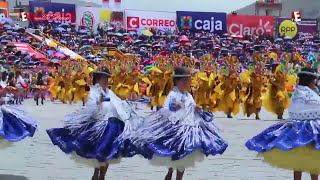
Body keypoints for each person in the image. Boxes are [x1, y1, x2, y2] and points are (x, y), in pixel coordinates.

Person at [126, 67, 228, 180]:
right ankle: (170, 173)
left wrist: (197, 108)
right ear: (177, 81)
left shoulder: (188, 95)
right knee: (174, 155)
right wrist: (173, 107)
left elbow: (191, 106)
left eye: (187, 80)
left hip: (188, 127)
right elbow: (164, 110)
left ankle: (178, 177)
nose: (186, 82)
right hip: (175, 127)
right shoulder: (173, 94)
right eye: (183, 80)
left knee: (184, 156)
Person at [46, 67, 145, 180]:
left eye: (107, 78)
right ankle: (96, 174)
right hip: (99, 126)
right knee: (98, 153)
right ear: (98, 79)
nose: (106, 81)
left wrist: (129, 102)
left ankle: (102, 176)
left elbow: (120, 104)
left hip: (112, 126)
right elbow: (92, 109)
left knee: (108, 153)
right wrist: (99, 102)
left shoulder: (110, 92)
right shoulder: (93, 91)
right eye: (103, 78)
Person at [246, 67, 320, 180]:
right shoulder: (307, 94)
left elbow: (296, 110)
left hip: (297, 130)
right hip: (309, 131)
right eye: (313, 81)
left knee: (300, 162)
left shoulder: (298, 92)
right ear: (310, 81)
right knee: (312, 161)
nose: (314, 83)